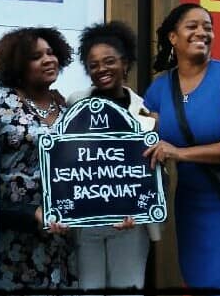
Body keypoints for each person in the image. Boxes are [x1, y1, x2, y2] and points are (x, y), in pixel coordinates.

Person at [143, 3, 220, 291]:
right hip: (193, 207)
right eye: (192, 26)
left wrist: (180, 153)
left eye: (207, 27)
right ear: (173, 37)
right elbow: (142, 142)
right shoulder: (159, 90)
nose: (202, 32)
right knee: (199, 282)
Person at [0, 27, 77, 290]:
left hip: (59, 241)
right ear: (17, 65)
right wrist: (27, 213)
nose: (48, 59)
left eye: (51, 52)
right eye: (36, 56)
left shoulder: (68, 110)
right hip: (10, 234)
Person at [67, 21, 161, 293]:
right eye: (93, 64)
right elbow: (65, 162)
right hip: (87, 223)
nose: (101, 69)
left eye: (109, 61)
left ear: (125, 63)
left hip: (130, 224)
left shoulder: (145, 114)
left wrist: (138, 205)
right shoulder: (75, 103)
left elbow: (150, 174)